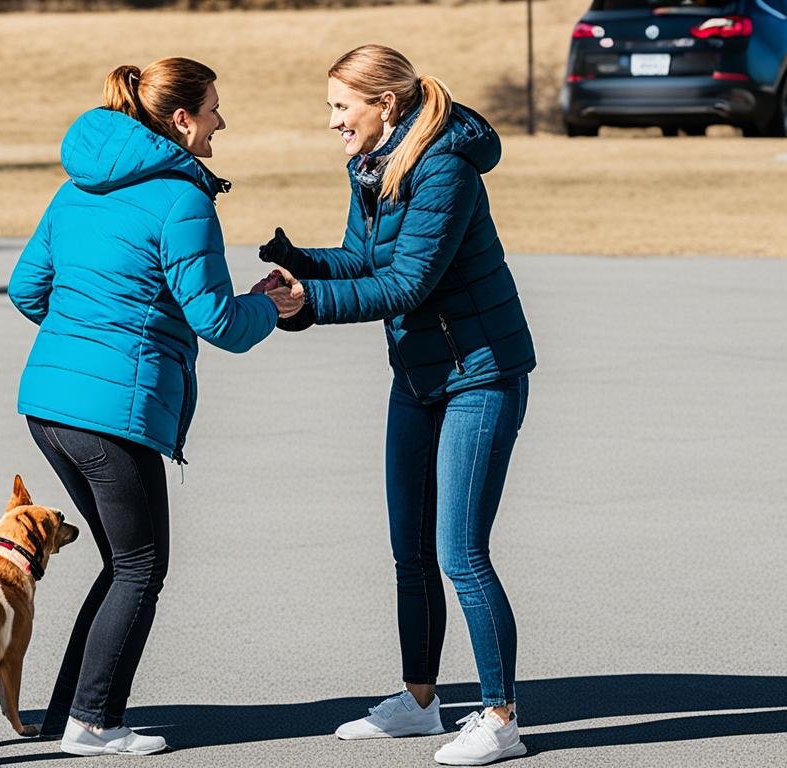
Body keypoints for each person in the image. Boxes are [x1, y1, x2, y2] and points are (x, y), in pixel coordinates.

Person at [8, 57, 302, 757]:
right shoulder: (181, 199)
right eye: (213, 108)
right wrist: (271, 304)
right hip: (113, 412)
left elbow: (27, 291)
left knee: (122, 561)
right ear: (180, 119)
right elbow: (218, 322)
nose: (221, 121)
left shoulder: (75, 188)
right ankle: (93, 724)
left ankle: (67, 714)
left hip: (47, 404)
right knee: (142, 567)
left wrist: (91, 328)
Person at [259, 44, 537, 766]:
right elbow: (367, 256)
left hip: (481, 374)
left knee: (459, 553)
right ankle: (419, 703)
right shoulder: (372, 164)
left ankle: (502, 717)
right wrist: (308, 260)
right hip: (419, 375)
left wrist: (308, 305)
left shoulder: (442, 165)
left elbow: (408, 282)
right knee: (408, 550)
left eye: (341, 107)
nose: (332, 122)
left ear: (386, 104)